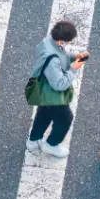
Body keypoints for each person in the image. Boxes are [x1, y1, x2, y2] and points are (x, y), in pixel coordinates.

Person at [26, 20, 85, 154]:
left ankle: (34, 140)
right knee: (65, 118)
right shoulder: (53, 61)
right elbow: (59, 84)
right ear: (63, 40)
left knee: (44, 113)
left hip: (43, 90)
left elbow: (60, 55)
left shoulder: (47, 41)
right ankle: (52, 145)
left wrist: (74, 56)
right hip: (52, 94)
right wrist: (73, 69)